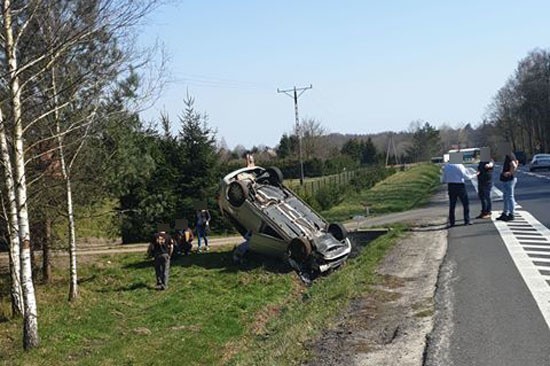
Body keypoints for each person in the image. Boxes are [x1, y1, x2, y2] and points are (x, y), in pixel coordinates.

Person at [441, 155, 475, 227]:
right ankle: (467, 220)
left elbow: (443, 179)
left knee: (452, 205)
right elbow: (466, 176)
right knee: (465, 203)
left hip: (451, 186)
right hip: (460, 186)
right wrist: (474, 175)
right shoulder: (460, 166)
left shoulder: (446, 166)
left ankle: (452, 222)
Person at [497, 152, 519, 222]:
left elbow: (514, 165)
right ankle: (505, 213)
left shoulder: (509, 155)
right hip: (508, 179)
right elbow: (517, 162)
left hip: (509, 179)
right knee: (506, 196)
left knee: (509, 196)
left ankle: (511, 214)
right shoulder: (511, 155)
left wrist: (510, 173)